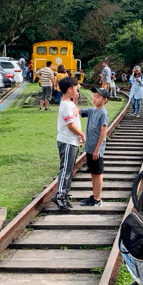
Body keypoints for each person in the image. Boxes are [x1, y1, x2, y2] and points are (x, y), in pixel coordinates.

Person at [52, 76, 85, 212]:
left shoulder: (69, 103)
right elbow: (70, 124)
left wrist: (75, 98)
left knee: (69, 170)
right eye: (75, 88)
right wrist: (81, 134)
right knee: (65, 170)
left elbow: (75, 115)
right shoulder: (66, 105)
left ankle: (64, 194)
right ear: (70, 89)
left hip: (71, 141)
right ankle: (60, 196)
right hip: (67, 141)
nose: (77, 90)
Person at [79, 88, 109, 207]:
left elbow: (103, 133)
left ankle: (97, 199)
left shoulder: (103, 113)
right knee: (93, 173)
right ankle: (94, 195)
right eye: (94, 96)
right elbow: (79, 111)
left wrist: (97, 150)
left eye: (98, 97)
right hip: (89, 148)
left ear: (105, 99)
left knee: (97, 173)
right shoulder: (92, 110)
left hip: (96, 150)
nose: (94, 99)